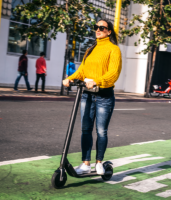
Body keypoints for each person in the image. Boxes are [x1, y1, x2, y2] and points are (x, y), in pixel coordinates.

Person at [62, 19, 122, 175]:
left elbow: (113, 73)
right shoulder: (90, 49)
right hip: (87, 95)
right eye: (96, 27)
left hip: (104, 96)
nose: (98, 30)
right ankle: (86, 164)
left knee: (101, 131)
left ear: (109, 31)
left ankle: (99, 163)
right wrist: (70, 78)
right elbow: (82, 71)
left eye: (102, 28)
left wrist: (98, 81)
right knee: (86, 130)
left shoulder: (113, 49)